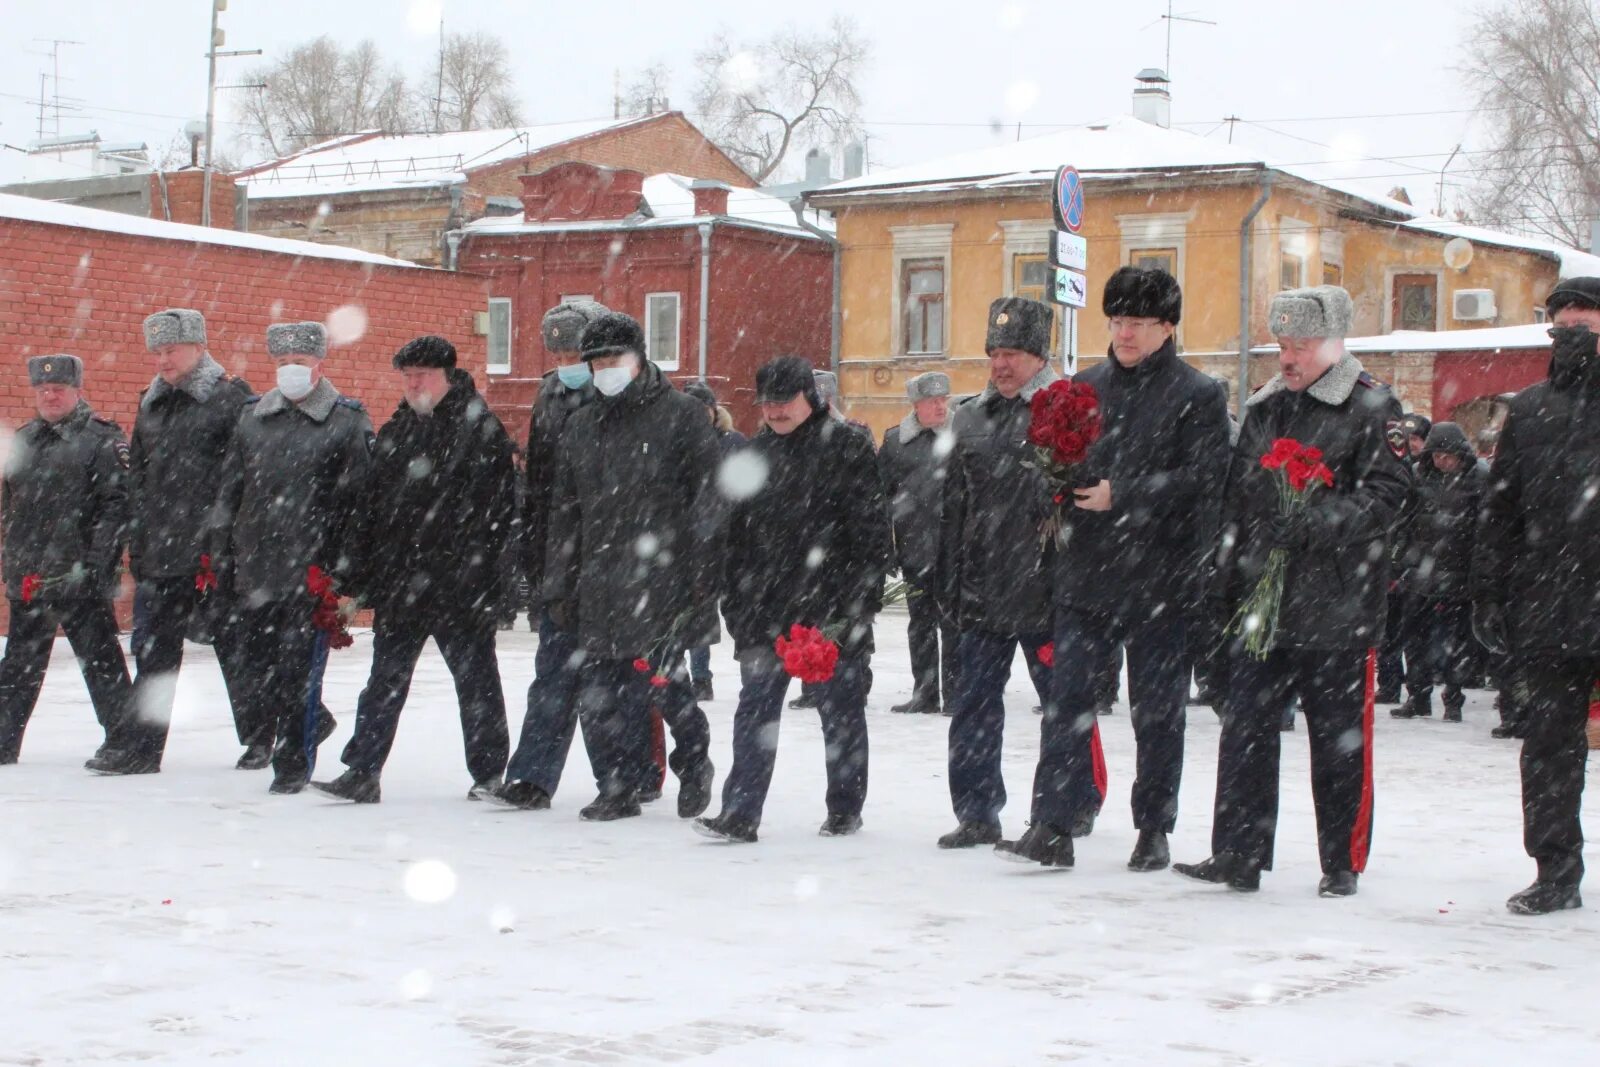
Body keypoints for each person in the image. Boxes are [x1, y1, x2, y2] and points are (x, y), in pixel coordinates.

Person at [1175, 284, 1410, 897]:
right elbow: (1235, 502)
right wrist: (1223, 583)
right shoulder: (1265, 408)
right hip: (1263, 605)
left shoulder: (1374, 407)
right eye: (1282, 343)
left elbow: (1387, 498)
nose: (1287, 357)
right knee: (1245, 731)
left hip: (1337, 605)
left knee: (1338, 744)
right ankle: (1238, 853)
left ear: (1334, 343)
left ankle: (1341, 861)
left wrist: (1318, 523)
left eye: (1300, 344)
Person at [1003, 267, 1229, 870]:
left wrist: (1122, 492)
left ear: (1167, 327)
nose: (1124, 333)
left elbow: (1205, 480)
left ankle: (1153, 827)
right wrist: (1053, 480)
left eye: (1138, 322)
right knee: (1067, 703)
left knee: (1156, 713)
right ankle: (1052, 824)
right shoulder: (1085, 386)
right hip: (1087, 572)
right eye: (1117, 321)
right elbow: (1057, 458)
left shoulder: (1197, 395)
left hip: (1161, 577)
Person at [694, 357, 892, 842]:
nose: (776, 412)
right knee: (755, 710)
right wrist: (738, 608)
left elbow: (870, 531)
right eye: (768, 404)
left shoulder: (847, 447)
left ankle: (845, 807)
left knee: (840, 712)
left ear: (812, 397)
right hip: (767, 610)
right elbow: (734, 538)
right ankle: (740, 812)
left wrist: (854, 607)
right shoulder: (753, 454)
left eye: (785, 402)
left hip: (832, 610)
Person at [313, 336, 515, 803]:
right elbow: (369, 510)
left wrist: (488, 581)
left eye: (422, 375)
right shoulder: (396, 432)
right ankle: (362, 769)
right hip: (401, 582)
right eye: (407, 376)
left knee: (476, 682)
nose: (414, 383)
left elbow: (499, 517)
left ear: (447, 375)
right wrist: (353, 579)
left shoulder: (480, 430)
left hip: (460, 585)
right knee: (384, 680)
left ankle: (489, 773)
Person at [543, 311, 719, 821]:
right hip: (596, 580)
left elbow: (707, 504)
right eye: (596, 361)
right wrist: (559, 581)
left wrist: (699, 580)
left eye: (613, 359)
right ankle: (615, 787)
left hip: (661, 579)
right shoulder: (580, 425)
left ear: (640, 359)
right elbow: (565, 510)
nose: (605, 369)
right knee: (597, 695)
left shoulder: (682, 416)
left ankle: (695, 760)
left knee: (665, 687)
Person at [1472, 276, 1600, 915]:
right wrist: (1489, 591)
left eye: (1587, 329)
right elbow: (1501, 510)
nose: (1574, 341)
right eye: (1563, 329)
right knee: (1549, 745)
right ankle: (1555, 869)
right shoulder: (1529, 409)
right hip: (1550, 602)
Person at [91, 309, 258, 775]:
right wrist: (139, 543)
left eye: (172, 350)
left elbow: (240, 479)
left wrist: (224, 543)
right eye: (157, 352)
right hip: (162, 551)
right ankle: (141, 749)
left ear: (199, 347)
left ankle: (265, 733)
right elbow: (139, 482)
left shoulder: (232, 399)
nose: (163, 360)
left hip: (213, 551)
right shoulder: (151, 402)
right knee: (154, 652)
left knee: (236, 647)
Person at [207, 322, 371, 795]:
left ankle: (293, 763)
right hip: (256, 567)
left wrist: (345, 574)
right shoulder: (252, 418)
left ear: (319, 365)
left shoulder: (345, 421)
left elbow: (359, 505)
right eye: (281, 363)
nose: (290, 371)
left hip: (313, 573)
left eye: (299, 363)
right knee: (257, 669)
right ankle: (303, 731)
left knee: (299, 673)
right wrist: (222, 554)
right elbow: (230, 492)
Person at [934, 297, 1058, 850]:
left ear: (1039, 357)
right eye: (995, 353)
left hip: (1047, 591)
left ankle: (1058, 812)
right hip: (982, 589)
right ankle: (978, 813)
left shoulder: (1065, 409)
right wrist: (948, 578)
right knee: (974, 710)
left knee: (1063, 711)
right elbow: (953, 507)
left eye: (1013, 354)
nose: (1001, 364)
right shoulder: (968, 416)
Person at [485, 300, 610, 811]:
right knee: (553, 675)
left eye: (572, 350)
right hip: (559, 555)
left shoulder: (620, 395)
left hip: (610, 552)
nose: (563, 360)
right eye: (555, 350)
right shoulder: (549, 395)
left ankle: (633, 775)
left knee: (619, 682)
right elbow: (537, 481)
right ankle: (532, 777)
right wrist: (533, 555)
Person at [0, 355, 134, 766]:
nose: (50, 396)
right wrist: (15, 561)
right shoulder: (24, 441)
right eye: (42, 390)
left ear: (77, 390)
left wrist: (94, 563)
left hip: (81, 574)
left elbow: (118, 507)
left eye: (58, 389)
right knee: (20, 664)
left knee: (100, 659)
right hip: (33, 575)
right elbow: (10, 507)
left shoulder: (102, 441)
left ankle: (124, 743)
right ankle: (3, 740)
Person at [1392, 422, 1485, 723]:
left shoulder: (1478, 480)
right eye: (1438, 456)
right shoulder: (1418, 477)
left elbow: (1486, 527)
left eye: (1449, 456)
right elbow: (1403, 522)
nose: (1443, 462)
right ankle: (1418, 695)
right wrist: (1403, 561)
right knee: (1414, 639)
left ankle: (1453, 699)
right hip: (1420, 570)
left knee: (1456, 643)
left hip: (1459, 571)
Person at [879, 371, 957, 716]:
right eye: (933, 401)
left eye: (944, 399)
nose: (941, 406)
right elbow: (881, 499)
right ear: (917, 405)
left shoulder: (961, 435)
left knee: (953, 624)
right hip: (914, 549)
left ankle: (955, 694)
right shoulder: (896, 443)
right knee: (920, 624)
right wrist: (887, 547)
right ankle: (925, 693)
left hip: (955, 549)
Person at [682, 379, 747, 702]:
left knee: (737, 607)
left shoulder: (734, 443)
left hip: (731, 539)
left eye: (703, 409)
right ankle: (697, 677)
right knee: (694, 611)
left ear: (713, 410)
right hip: (692, 542)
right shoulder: (676, 443)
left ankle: (750, 663)